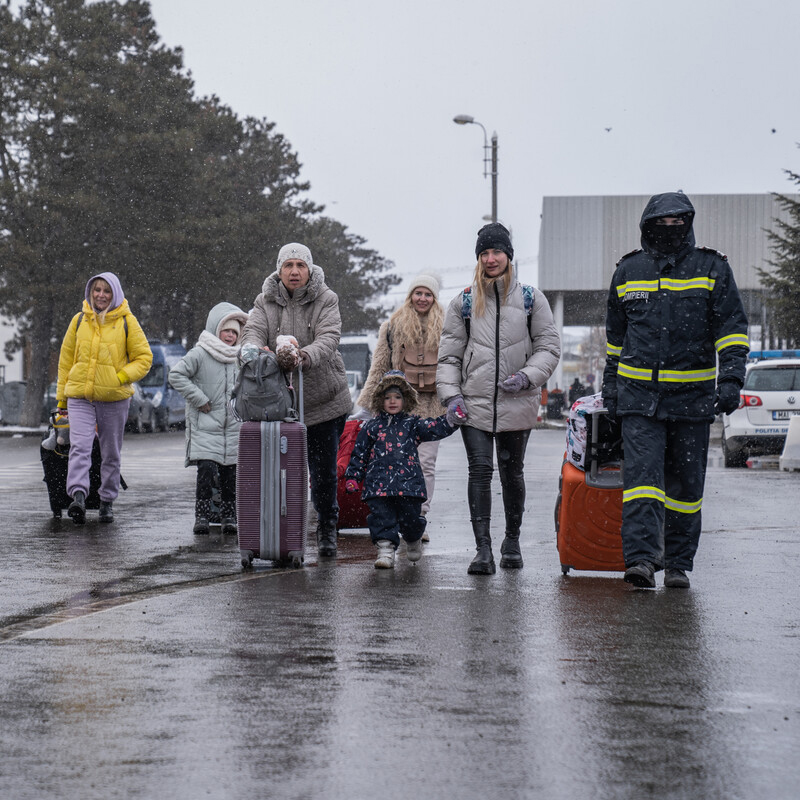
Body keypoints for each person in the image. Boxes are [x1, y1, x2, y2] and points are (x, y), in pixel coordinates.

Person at [602, 191, 749, 589]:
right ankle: (642, 561)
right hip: (638, 401)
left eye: (677, 222)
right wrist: (610, 389)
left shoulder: (712, 267)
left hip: (692, 401)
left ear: (689, 222)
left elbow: (732, 328)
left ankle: (679, 563)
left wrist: (732, 378)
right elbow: (616, 339)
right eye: (661, 223)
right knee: (642, 484)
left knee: (685, 489)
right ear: (648, 225)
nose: (670, 229)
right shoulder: (629, 271)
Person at [437, 223, 561, 574]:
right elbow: (448, 358)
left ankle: (512, 540)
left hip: (516, 402)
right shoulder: (462, 302)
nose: (491, 259)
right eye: (484, 253)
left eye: (497, 252)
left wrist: (527, 376)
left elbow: (549, 348)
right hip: (473, 405)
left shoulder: (530, 299)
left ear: (509, 256)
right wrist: (451, 397)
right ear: (478, 258)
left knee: (511, 473)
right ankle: (483, 550)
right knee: (479, 471)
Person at [239, 242, 351, 557]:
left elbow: (329, 338)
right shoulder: (264, 300)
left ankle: (328, 527)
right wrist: (254, 350)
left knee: (323, 472)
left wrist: (303, 355)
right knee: (279, 472)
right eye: (288, 266)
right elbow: (252, 332)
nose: (294, 272)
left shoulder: (327, 298)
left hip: (322, 401)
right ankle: (279, 528)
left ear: (310, 270)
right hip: (276, 404)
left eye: (300, 266)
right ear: (279, 270)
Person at [56, 272, 153, 524]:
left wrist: (120, 376)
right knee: (80, 447)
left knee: (110, 452)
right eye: (97, 290)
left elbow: (144, 359)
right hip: (80, 397)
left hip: (114, 399)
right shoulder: (78, 320)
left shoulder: (127, 322)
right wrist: (61, 400)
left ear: (115, 294)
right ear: (90, 292)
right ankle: (78, 496)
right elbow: (65, 362)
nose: (100, 295)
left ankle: (107, 500)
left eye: (106, 291)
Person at [357, 273, 445, 539]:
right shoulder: (392, 327)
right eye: (418, 293)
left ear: (434, 298)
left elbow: (454, 366)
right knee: (394, 465)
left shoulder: (448, 327)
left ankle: (418, 519)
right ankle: (397, 518)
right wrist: (368, 404)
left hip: (432, 407)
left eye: (428, 294)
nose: (422, 298)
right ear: (410, 296)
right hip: (398, 409)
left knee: (425, 464)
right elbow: (379, 367)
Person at [344, 370, 454, 569]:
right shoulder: (371, 427)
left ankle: (413, 539)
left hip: (409, 486)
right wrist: (353, 477)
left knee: (411, 519)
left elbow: (435, 427)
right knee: (382, 518)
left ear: (406, 400)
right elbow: (359, 455)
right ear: (379, 400)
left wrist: (452, 419)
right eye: (387, 397)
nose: (392, 401)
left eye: (397, 397)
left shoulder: (413, 425)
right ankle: (385, 550)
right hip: (378, 486)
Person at [168, 302, 249, 536]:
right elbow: (176, 375)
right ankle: (201, 516)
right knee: (205, 472)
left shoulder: (240, 357)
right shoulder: (200, 353)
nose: (231, 336)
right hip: (205, 426)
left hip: (233, 428)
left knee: (230, 476)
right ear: (216, 330)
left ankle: (229, 517)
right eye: (227, 331)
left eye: (235, 332)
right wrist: (199, 398)